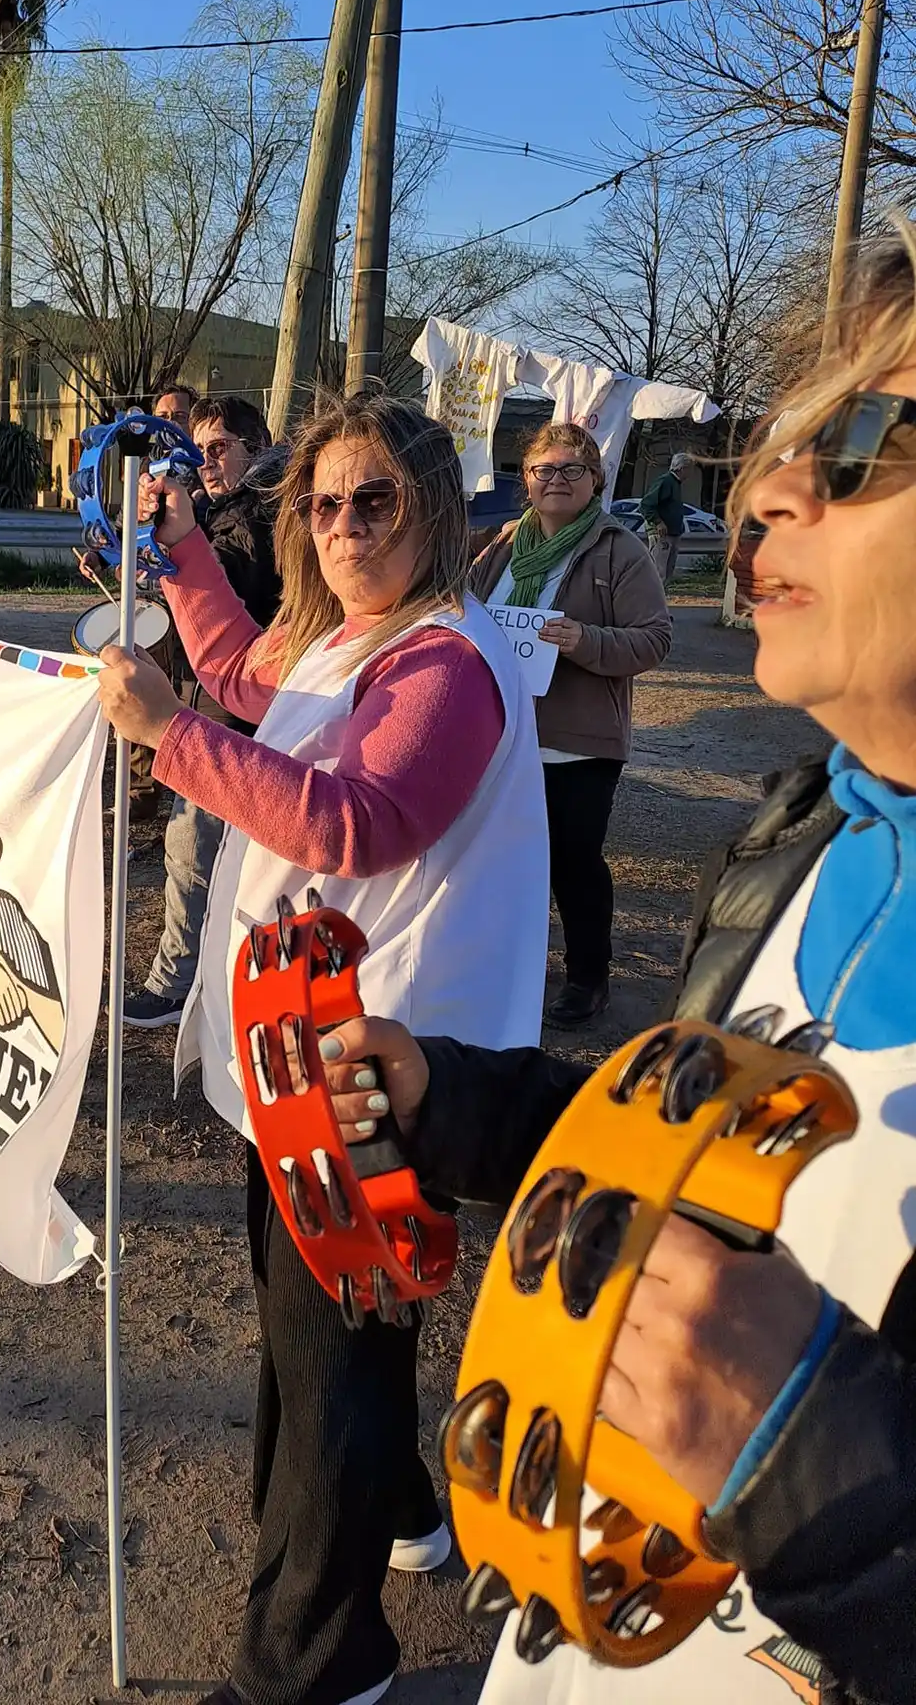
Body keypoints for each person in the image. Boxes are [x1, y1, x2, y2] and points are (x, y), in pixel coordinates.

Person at [318, 224, 916, 1705]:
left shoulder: (614, 564)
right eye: (790, 436)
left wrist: (821, 1469)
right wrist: (473, 1109)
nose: (773, 489)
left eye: (862, 438)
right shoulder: (811, 835)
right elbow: (692, 1185)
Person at [96, 392, 550, 1705]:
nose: (346, 525)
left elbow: (360, 820)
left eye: (378, 502)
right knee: (330, 1335)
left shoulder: (447, 662)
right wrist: (180, 545)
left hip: (372, 1074)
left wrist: (165, 738)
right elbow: (247, 674)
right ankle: (405, 1509)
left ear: (433, 513)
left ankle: (316, 1663)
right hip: (300, 1058)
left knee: (325, 1357)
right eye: (326, 502)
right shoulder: (355, 638)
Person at [472, 423, 671, 1026]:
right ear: (526, 480)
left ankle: (588, 978)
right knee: (504, 859)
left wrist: (586, 639)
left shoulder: (618, 549)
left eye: (571, 470)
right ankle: (519, 967)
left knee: (572, 862)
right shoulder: (502, 546)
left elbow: (655, 638)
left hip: (578, 742)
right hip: (501, 734)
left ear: (596, 480)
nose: (556, 480)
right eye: (544, 470)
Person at [124, 394, 282, 1028]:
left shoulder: (272, 514)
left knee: (194, 842)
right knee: (201, 845)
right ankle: (210, 973)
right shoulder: (211, 511)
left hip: (248, 705)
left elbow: (239, 587)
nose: (206, 461)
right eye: (199, 448)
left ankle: (176, 980)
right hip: (207, 696)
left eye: (219, 447)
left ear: (258, 443)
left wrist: (182, 552)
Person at [640, 448, 692, 583]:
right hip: (662, 534)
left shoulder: (675, 484)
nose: (690, 472)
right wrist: (658, 522)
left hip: (673, 533)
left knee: (667, 572)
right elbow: (646, 504)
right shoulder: (666, 481)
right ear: (682, 468)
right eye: (689, 468)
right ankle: (651, 601)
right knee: (658, 571)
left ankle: (661, 600)